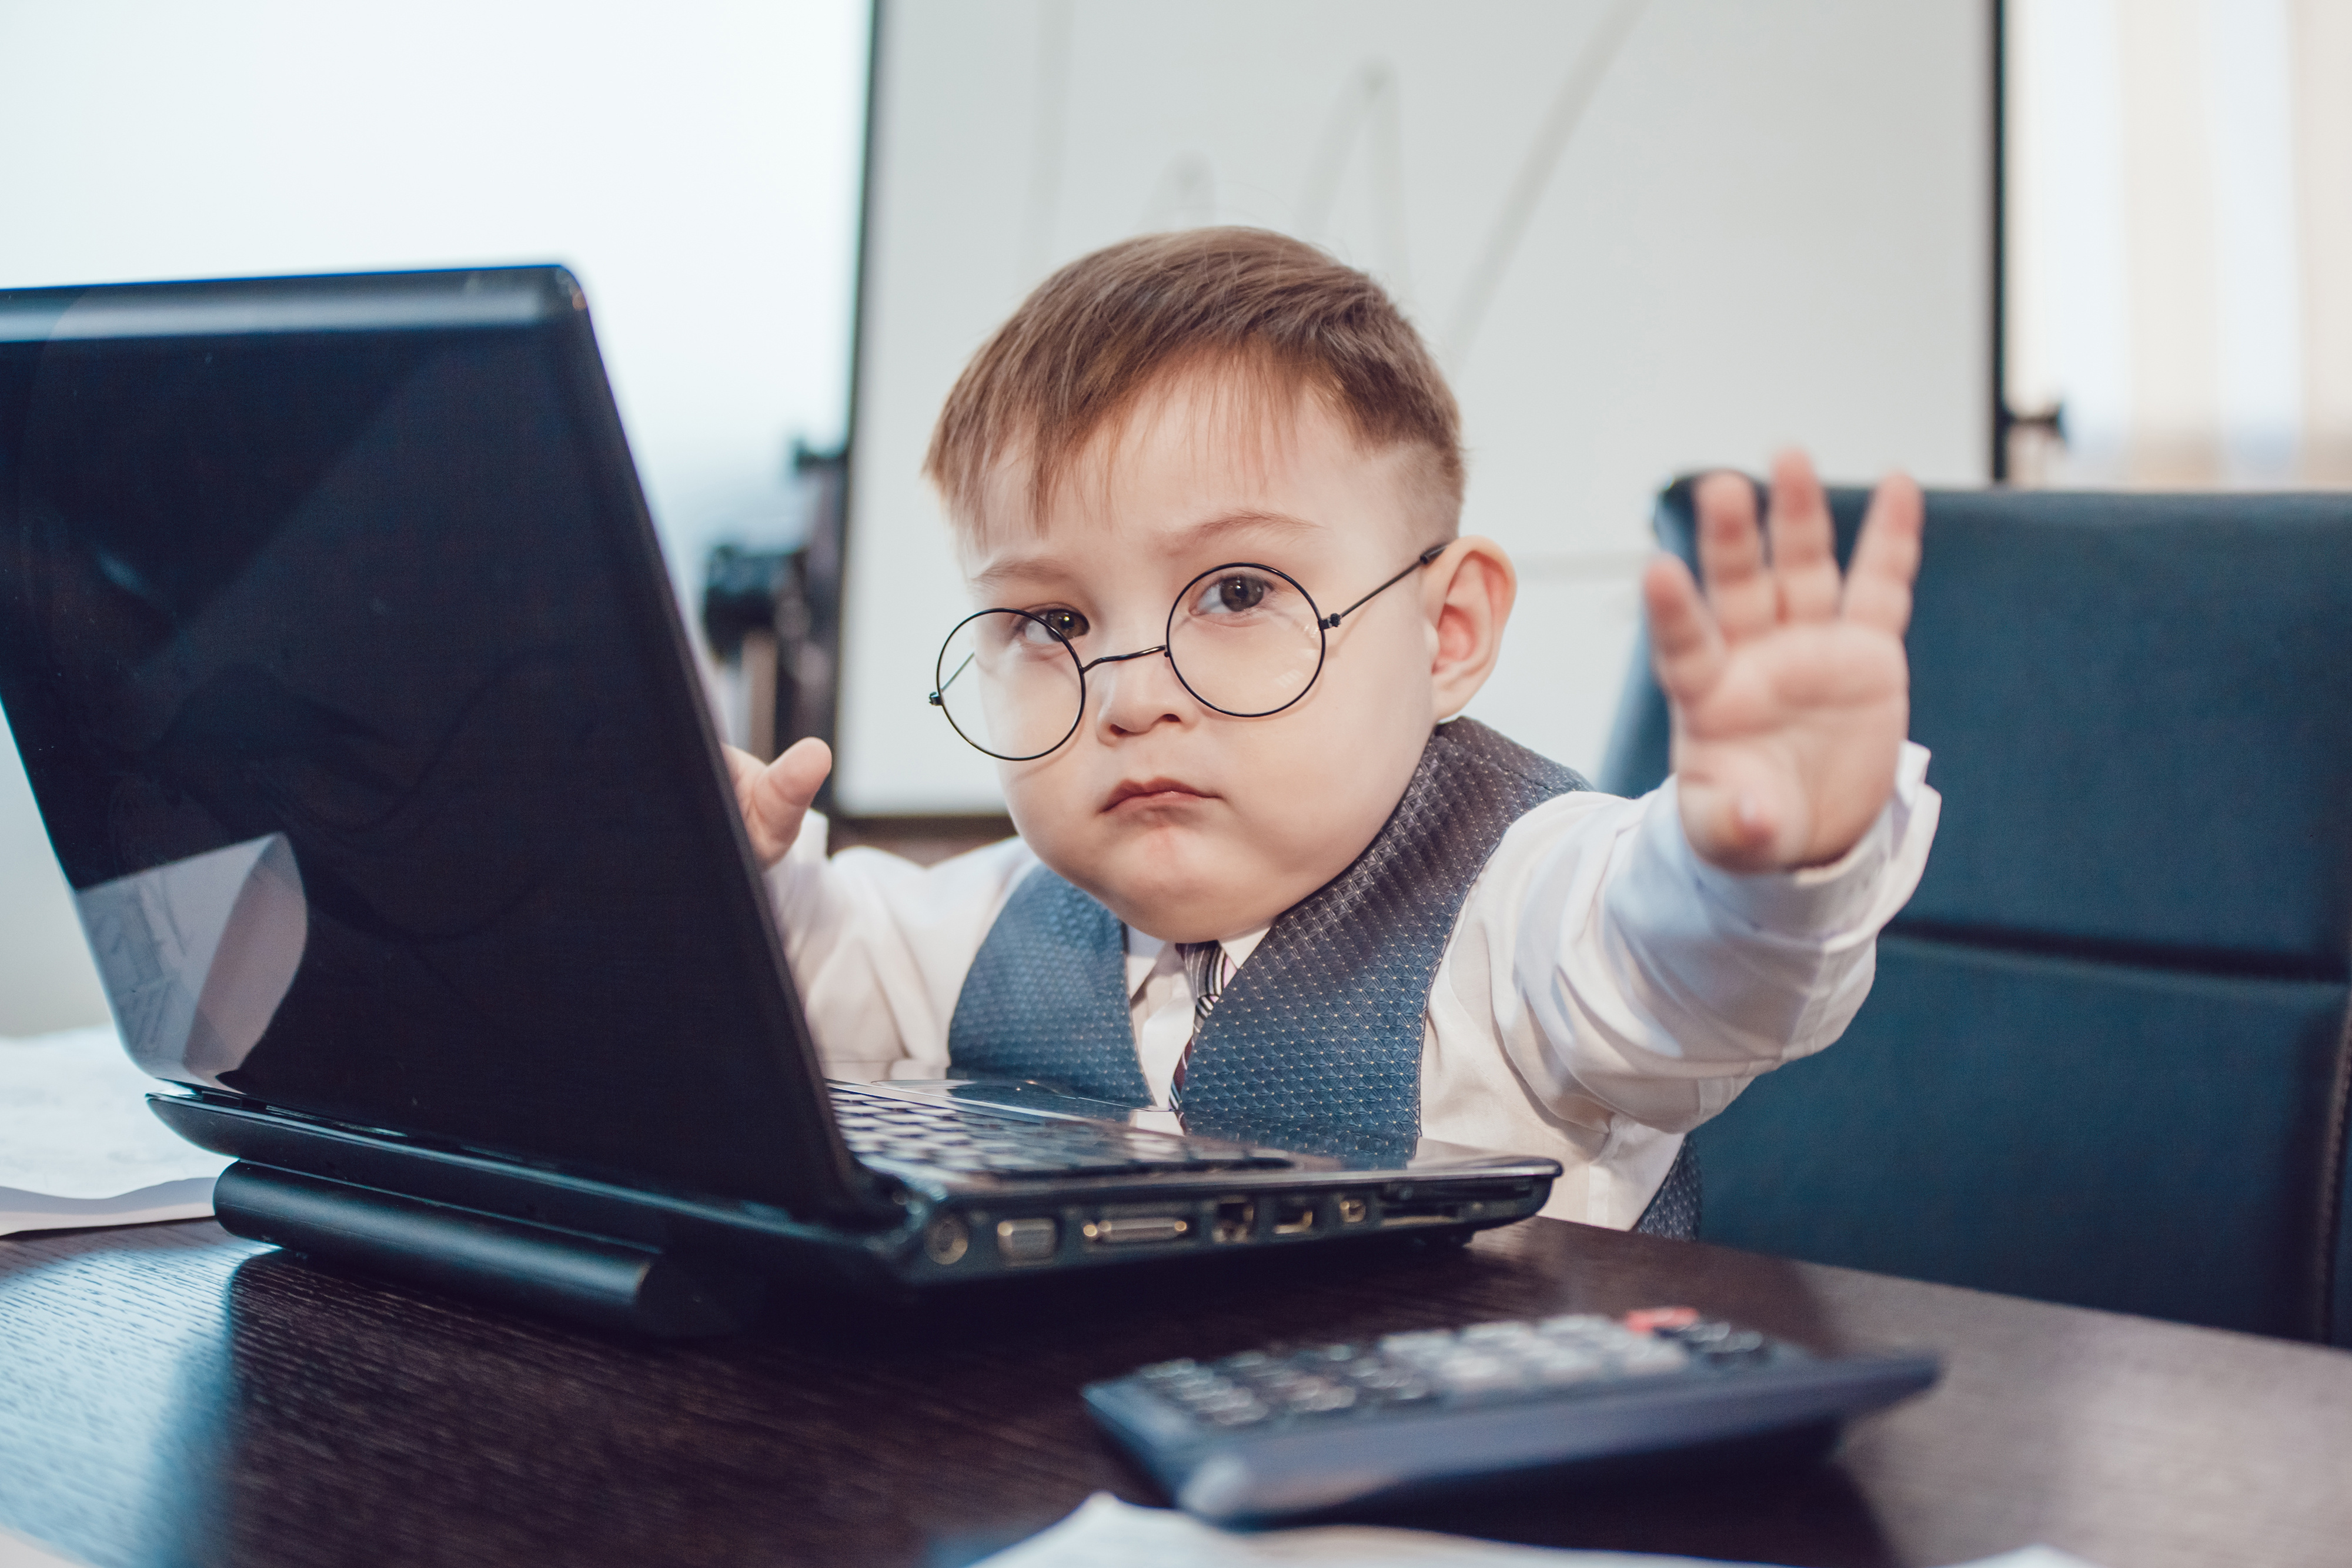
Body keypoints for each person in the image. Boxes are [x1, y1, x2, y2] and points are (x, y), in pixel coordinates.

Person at [727, 228, 1938, 1230]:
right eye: (1049, 620)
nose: (1126, 694)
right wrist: (709, 870)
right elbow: (796, 983)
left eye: (1237, 593)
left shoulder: (1524, 904)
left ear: (1445, 629)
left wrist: (1761, 863)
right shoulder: (986, 923)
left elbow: (1679, 968)